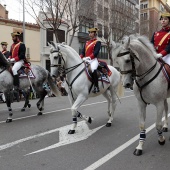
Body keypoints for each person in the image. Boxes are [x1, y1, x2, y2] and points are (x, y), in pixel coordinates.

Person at [80, 27, 101, 93]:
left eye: (91, 32)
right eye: (89, 32)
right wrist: (79, 57)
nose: (90, 34)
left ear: (95, 34)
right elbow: (83, 52)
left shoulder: (97, 42)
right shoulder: (87, 42)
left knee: (93, 69)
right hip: (86, 59)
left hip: (93, 60)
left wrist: (89, 57)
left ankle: (96, 87)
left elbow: (96, 52)